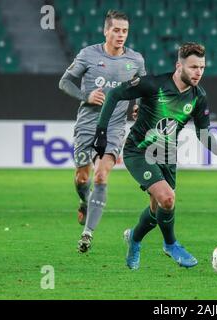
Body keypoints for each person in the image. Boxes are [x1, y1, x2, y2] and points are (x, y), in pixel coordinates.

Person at [93, 42, 217, 269]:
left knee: (158, 210)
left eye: (202, 67)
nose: (198, 72)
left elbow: (203, 134)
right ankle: (171, 244)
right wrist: (101, 131)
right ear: (179, 66)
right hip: (138, 151)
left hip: (167, 155)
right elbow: (116, 94)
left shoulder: (199, 97)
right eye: (193, 67)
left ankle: (134, 239)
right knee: (167, 198)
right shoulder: (154, 85)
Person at [58, 10, 146, 253]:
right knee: (82, 178)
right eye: (116, 30)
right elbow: (64, 82)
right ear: (106, 30)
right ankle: (84, 200)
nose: (120, 35)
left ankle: (87, 234)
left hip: (115, 127)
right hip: (87, 126)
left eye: (124, 31)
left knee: (100, 176)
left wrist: (139, 106)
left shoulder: (136, 60)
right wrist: (85, 95)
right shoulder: (88, 55)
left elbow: (144, 89)